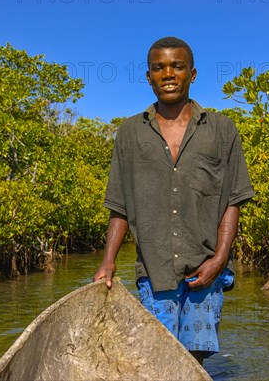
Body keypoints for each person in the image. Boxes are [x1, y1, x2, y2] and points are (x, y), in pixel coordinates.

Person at [93, 36, 255, 364]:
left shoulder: (222, 130)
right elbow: (119, 206)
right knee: (158, 355)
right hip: (155, 269)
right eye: (159, 67)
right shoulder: (129, 133)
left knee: (196, 357)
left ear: (192, 74)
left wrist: (218, 262)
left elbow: (233, 200)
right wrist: (108, 262)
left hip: (205, 267)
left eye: (177, 66)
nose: (168, 73)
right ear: (149, 76)